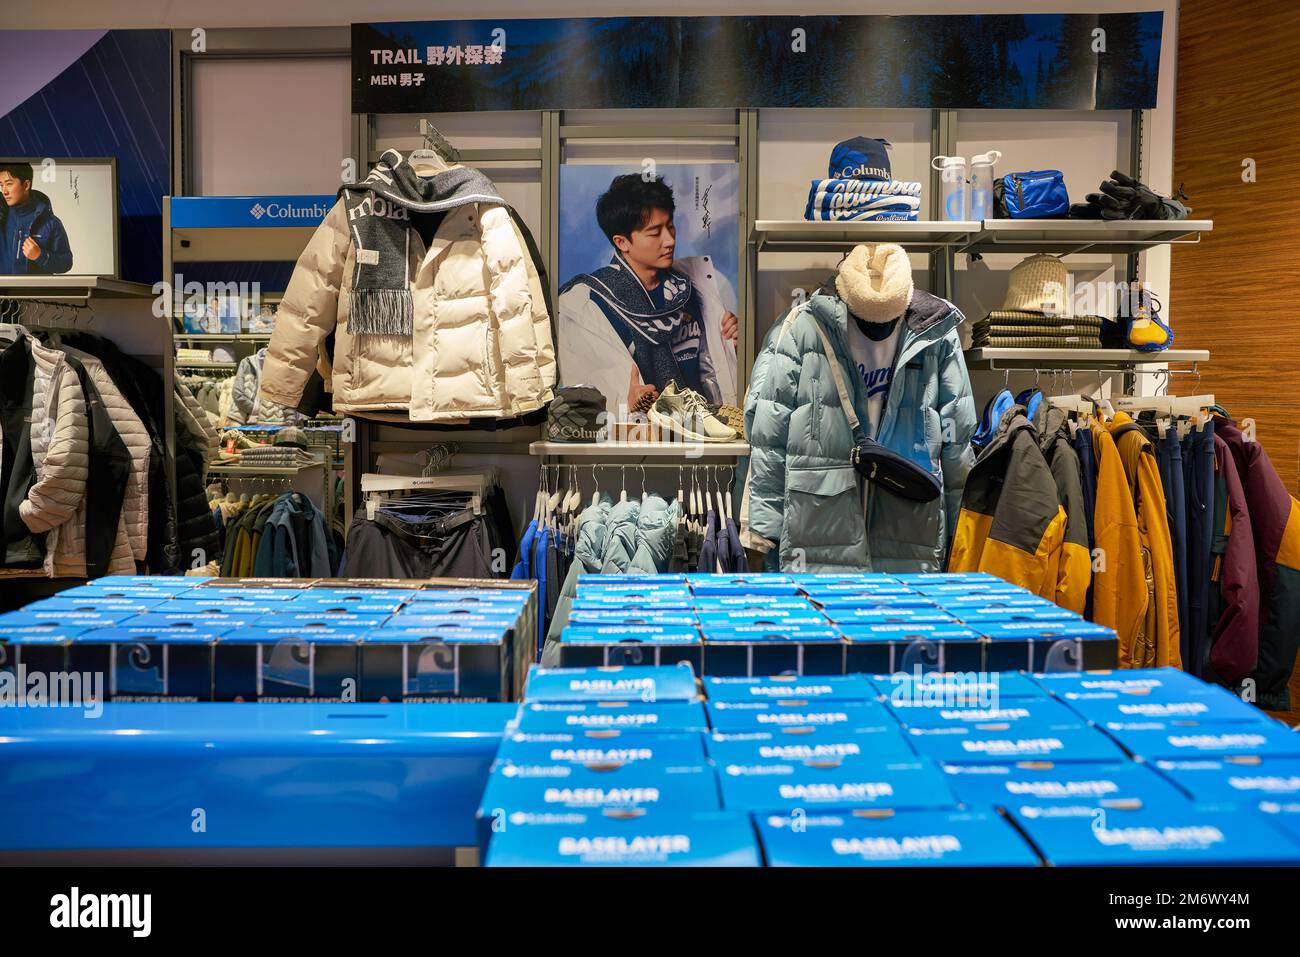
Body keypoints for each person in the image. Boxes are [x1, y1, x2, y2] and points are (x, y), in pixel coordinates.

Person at [558, 174, 738, 413]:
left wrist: (731, 344)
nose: (669, 240)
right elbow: (580, 392)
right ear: (622, 242)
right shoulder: (590, 304)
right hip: (639, 440)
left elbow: (716, 371)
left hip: (705, 433)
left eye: (670, 226)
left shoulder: (696, 286)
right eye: (655, 233)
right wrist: (622, 402)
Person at [0, 161, 73, 275]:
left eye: (9, 184)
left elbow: (66, 263)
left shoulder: (51, 222)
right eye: (1, 185)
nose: (4, 191)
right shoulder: (2, 217)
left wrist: (40, 256)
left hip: (36, 292)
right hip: (4, 291)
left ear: (26, 185)